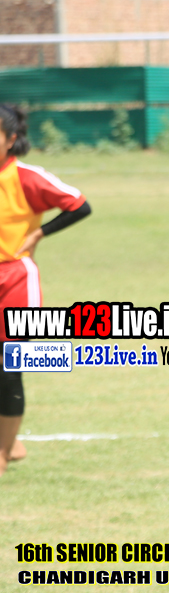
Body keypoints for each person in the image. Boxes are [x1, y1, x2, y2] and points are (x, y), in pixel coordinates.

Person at [0, 104, 91, 476]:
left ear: (11, 139)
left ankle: (3, 452)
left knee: (8, 366)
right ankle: (10, 441)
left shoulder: (26, 178)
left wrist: (39, 233)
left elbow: (79, 205)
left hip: (15, 280)